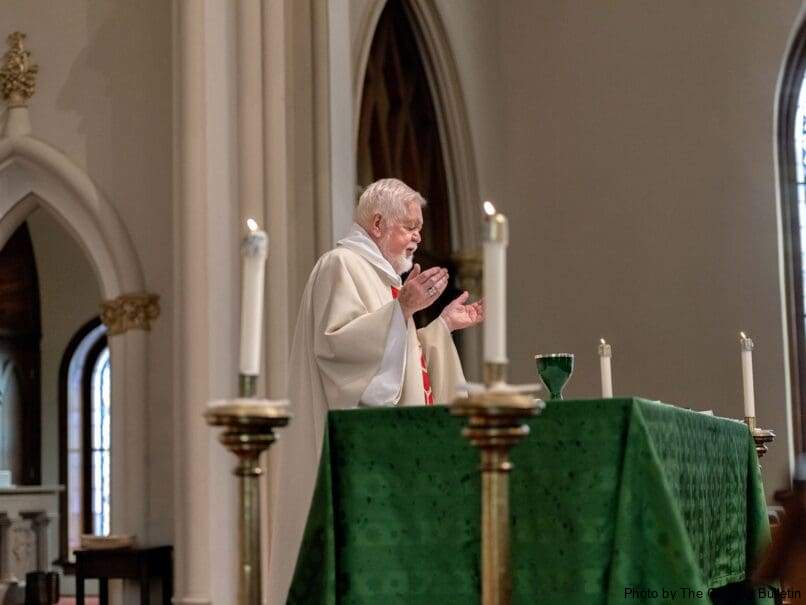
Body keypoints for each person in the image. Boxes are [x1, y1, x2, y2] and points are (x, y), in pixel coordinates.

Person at [267, 178, 484, 603]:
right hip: (355, 457)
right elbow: (338, 349)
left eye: (420, 228)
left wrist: (442, 327)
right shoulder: (340, 265)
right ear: (378, 223)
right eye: (409, 226)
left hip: (390, 457)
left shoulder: (383, 277)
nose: (419, 237)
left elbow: (400, 363)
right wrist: (403, 308)